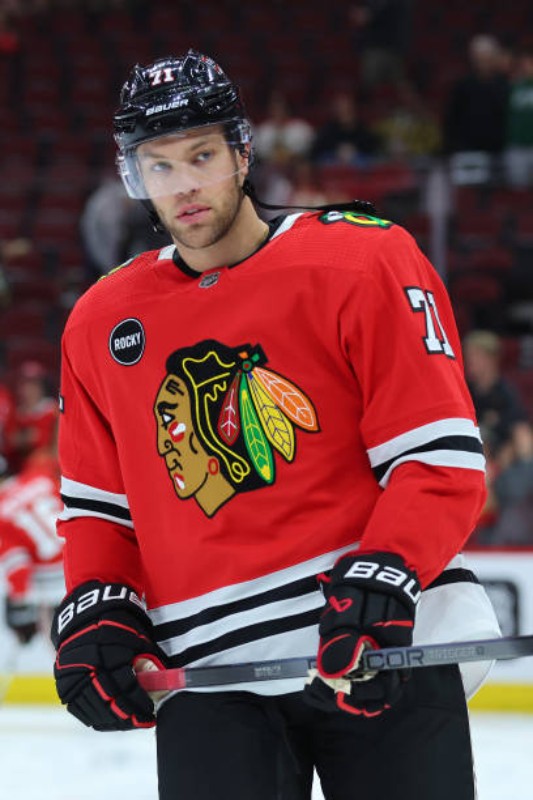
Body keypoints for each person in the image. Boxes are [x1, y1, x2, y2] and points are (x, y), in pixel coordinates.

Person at [50, 50, 500, 800]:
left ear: (242, 152)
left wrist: (386, 573)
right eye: (159, 166)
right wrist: (102, 607)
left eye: (201, 156)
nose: (184, 185)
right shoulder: (100, 321)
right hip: (208, 671)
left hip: (377, 643)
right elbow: (100, 510)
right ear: (135, 177)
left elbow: (437, 457)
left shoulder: (363, 258)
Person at [0, 448, 64, 645]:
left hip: (57, 587)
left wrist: (19, 600)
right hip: (88, 554)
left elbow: (18, 569)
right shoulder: (40, 475)